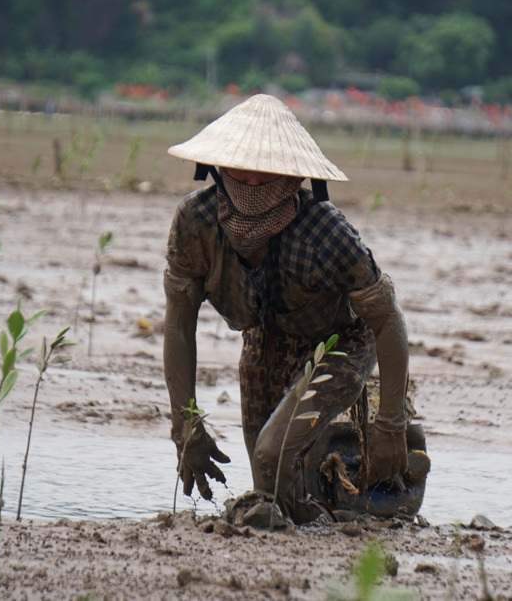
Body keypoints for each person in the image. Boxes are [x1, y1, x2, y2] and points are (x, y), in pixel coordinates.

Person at [162, 93, 419, 524]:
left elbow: (388, 320)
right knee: (271, 485)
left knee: (271, 454)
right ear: (220, 166)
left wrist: (390, 426)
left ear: (291, 176)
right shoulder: (195, 223)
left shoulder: (327, 232)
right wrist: (185, 426)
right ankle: (322, 510)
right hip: (263, 339)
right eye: (243, 168)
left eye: (268, 171)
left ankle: (343, 503)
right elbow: (178, 327)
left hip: (340, 344)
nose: (255, 182)